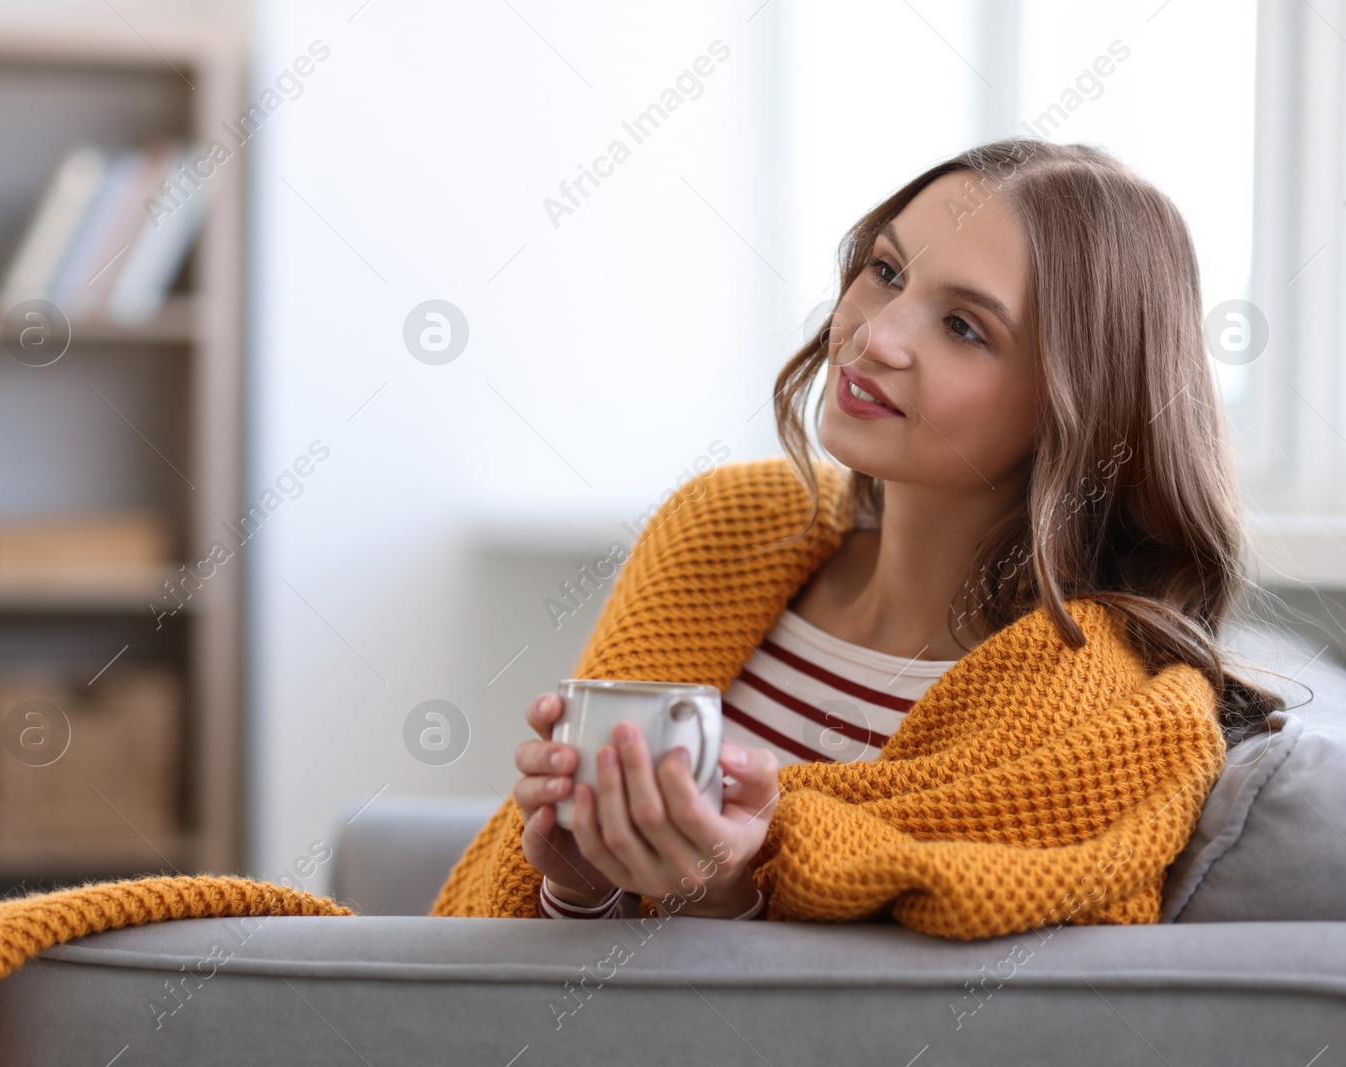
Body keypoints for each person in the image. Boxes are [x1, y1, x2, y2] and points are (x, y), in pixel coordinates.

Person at [433, 137, 1285, 933]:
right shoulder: (726, 527)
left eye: (963, 327)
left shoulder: (1083, 706)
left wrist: (739, 886)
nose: (873, 336)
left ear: (1077, 405)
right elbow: (531, 971)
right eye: (884, 270)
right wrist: (579, 883)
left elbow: (966, 1018)